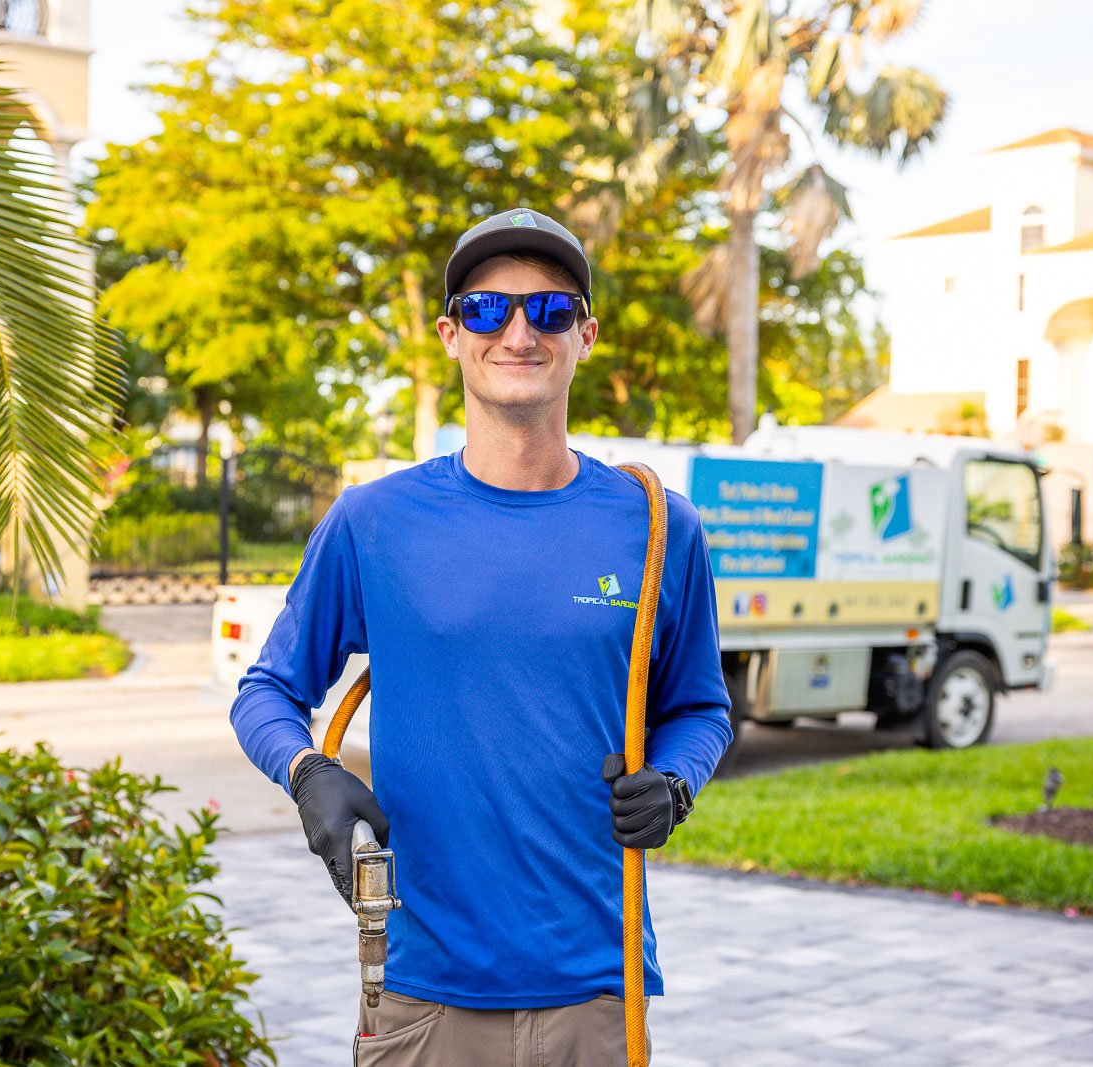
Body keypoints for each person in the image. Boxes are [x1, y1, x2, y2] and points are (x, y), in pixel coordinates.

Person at [229, 207, 732, 1065]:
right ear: (452, 334)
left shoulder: (658, 527)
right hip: (423, 996)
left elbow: (701, 707)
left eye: (549, 311)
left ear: (585, 335)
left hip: (598, 993)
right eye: (491, 310)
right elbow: (267, 691)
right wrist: (307, 770)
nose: (520, 333)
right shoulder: (374, 521)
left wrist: (675, 781)